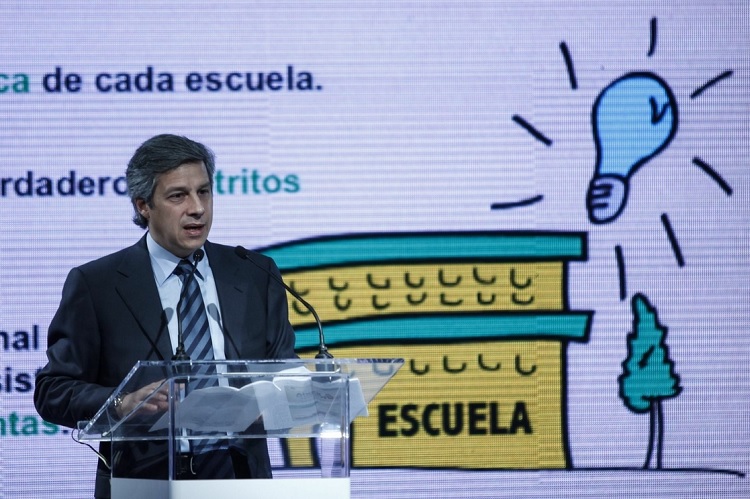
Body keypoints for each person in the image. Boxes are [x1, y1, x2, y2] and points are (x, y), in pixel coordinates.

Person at [34, 134, 296, 498]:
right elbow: (53, 391)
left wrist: (284, 397)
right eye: (178, 196)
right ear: (144, 205)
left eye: (204, 192)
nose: (197, 208)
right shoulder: (98, 285)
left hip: (241, 479)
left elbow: (283, 370)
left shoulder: (254, 273)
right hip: (143, 482)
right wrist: (121, 403)